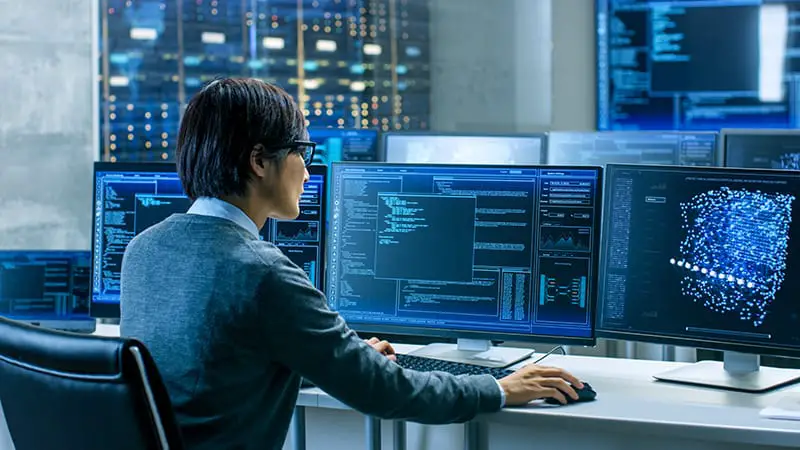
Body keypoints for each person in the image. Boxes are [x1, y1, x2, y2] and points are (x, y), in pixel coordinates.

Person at [119, 78, 584, 450]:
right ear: (259, 161)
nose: (306, 169)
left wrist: (334, 359)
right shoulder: (261, 272)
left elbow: (213, 368)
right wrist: (502, 388)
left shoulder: (144, 249)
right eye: (302, 151)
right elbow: (383, 393)